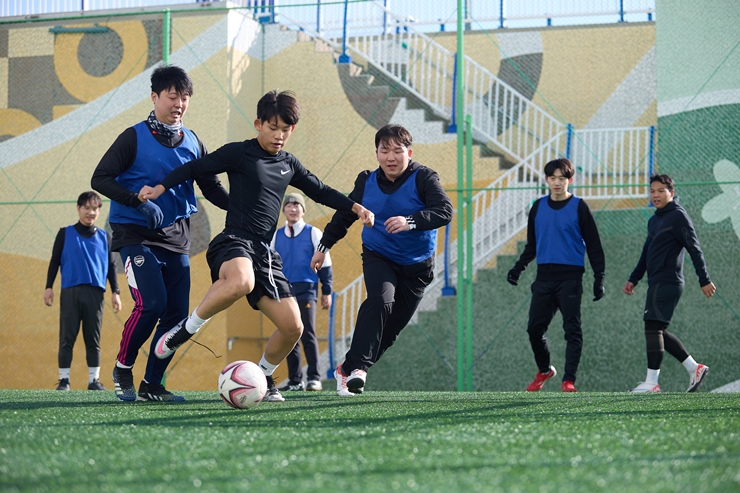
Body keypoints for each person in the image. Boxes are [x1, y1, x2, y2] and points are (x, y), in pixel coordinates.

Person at [138, 89, 374, 403]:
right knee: (241, 281)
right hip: (234, 241)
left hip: (264, 252)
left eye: (285, 130)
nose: (279, 135)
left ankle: (263, 375)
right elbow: (196, 168)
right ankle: (186, 328)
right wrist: (161, 186)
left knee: (293, 327)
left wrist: (355, 207)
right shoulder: (240, 153)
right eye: (272, 127)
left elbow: (321, 191)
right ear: (258, 124)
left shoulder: (289, 163)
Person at [91, 65, 229, 402]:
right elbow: (100, 179)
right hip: (135, 232)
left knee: (176, 316)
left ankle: (153, 384)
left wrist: (241, 210)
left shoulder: (195, 142)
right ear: (155, 97)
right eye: (172, 96)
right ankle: (124, 366)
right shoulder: (133, 137)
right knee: (151, 303)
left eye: (184, 98)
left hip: (177, 237)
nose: (179, 103)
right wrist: (136, 201)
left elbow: (210, 186)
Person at [310, 124, 453, 397]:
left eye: (397, 151)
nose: (391, 157)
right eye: (384, 150)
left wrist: (410, 221)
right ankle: (359, 370)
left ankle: (346, 368)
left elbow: (444, 211)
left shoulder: (424, 178)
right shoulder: (366, 181)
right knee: (381, 300)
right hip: (379, 255)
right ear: (376, 154)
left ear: (408, 153)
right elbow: (344, 215)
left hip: (417, 267)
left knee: (388, 333)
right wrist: (323, 246)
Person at [507, 158, 605, 393]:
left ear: (570, 180)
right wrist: (518, 268)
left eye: (562, 178)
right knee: (534, 329)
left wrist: (598, 278)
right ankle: (544, 370)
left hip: (570, 278)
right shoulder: (538, 207)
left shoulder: (579, 206)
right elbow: (532, 245)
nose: (557, 182)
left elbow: (594, 245)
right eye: (553, 178)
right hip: (544, 278)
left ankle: (568, 380)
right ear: (547, 180)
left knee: (572, 329)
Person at [623, 174, 715, 393]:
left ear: (671, 193)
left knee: (652, 327)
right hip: (656, 281)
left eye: (661, 191)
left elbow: (694, 248)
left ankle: (652, 382)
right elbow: (647, 253)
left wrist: (705, 279)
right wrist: (633, 278)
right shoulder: (654, 220)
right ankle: (694, 368)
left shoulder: (678, 216)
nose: (655, 195)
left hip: (669, 281)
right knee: (658, 330)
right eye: (652, 191)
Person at [44, 191, 122, 391]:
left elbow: (111, 266)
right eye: (86, 208)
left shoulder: (106, 237)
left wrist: (116, 292)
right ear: (78, 208)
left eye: (95, 208)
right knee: (66, 338)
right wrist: (48, 287)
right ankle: (64, 380)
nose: (90, 212)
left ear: (99, 211)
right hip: (70, 292)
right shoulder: (65, 233)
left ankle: (93, 380)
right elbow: (54, 261)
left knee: (93, 339)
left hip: (95, 294)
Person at [270, 193, 333, 392]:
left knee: (308, 333)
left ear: (303, 210)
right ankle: (295, 381)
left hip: (307, 289)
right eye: (288, 205)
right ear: (284, 211)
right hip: (284, 292)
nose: (293, 208)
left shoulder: (313, 232)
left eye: (297, 205)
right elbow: (269, 264)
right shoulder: (276, 235)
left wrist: (326, 291)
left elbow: (326, 263)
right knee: (290, 334)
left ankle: (314, 378)